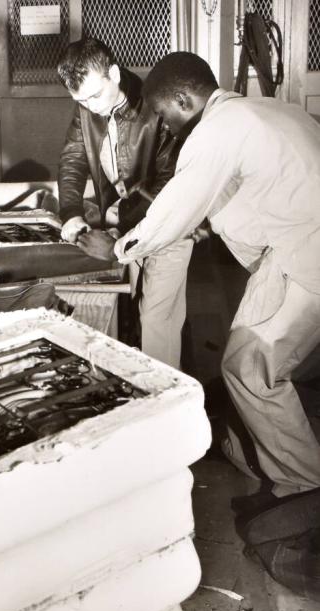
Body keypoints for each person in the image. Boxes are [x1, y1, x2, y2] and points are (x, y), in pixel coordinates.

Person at [77, 50, 320, 507]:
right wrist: (207, 223)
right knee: (263, 369)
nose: (165, 128)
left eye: (165, 117)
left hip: (303, 255)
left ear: (184, 99)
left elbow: (176, 205)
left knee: (249, 369)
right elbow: (263, 186)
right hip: (302, 243)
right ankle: (252, 451)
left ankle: (303, 483)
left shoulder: (214, 131)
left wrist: (115, 247)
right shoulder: (267, 110)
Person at [57, 37, 194, 369]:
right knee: (135, 311)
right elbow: (73, 158)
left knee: (157, 321)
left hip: (167, 226)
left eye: (94, 96)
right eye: (80, 100)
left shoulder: (157, 106)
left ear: (114, 73)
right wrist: (71, 212)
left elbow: (169, 183)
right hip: (126, 226)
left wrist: (123, 217)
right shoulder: (88, 105)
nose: (90, 106)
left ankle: (167, 405)